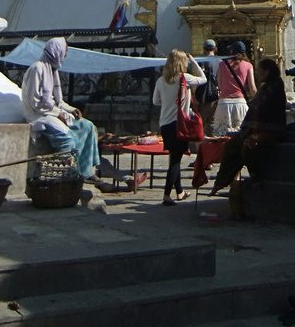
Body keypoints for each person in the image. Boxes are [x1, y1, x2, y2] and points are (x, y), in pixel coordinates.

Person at [21, 38, 145, 191]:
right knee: (68, 141)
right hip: (40, 116)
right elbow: (36, 103)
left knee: (87, 126)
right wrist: (58, 113)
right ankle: (68, 179)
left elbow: (58, 102)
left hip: (52, 113)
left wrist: (70, 109)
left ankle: (87, 172)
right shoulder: (37, 69)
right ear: (57, 52)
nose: (65, 56)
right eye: (65, 52)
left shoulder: (53, 71)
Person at [211, 58, 286, 195]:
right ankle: (221, 181)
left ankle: (257, 177)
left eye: (260, 71)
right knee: (232, 145)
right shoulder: (264, 88)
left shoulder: (275, 86)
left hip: (270, 129)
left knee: (249, 146)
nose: (257, 74)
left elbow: (266, 109)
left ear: (268, 71)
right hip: (253, 129)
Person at [152, 49, 206, 206]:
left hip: (165, 124)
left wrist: (168, 103)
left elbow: (156, 101)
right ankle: (166, 195)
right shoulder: (184, 78)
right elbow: (203, 79)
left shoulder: (160, 80)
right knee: (175, 161)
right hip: (179, 124)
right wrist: (194, 61)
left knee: (174, 157)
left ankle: (180, 191)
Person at [212, 41, 256, 136]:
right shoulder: (248, 66)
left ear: (231, 51)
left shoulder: (222, 64)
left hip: (223, 103)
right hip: (240, 103)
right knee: (241, 135)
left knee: (221, 136)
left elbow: (219, 84)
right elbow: (252, 88)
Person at [194, 39, 219, 136]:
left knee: (201, 121)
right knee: (212, 122)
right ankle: (211, 145)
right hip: (216, 94)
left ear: (204, 49)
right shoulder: (220, 61)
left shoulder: (200, 61)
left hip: (203, 94)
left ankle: (201, 145)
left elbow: (196, 79)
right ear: (215, 49)